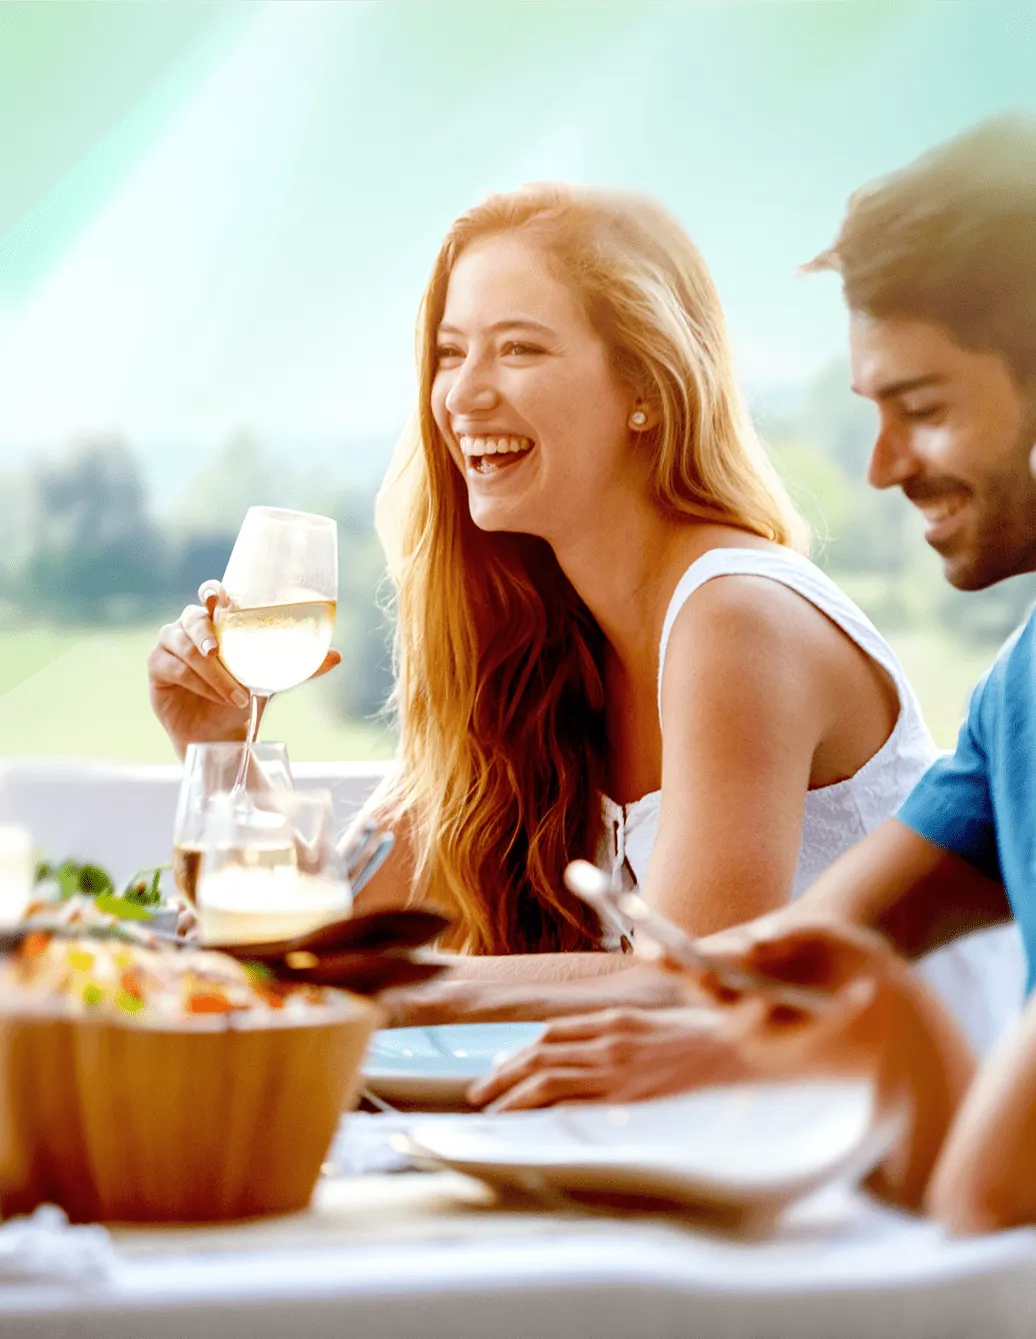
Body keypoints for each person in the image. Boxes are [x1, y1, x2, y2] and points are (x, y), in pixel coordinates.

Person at [148, 181, 991, 1033]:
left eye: (518, 349)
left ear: (646, 389)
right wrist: (221, 749)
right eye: (450, 352)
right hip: (726, 1140)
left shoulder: (735, 615)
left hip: (898, 1152)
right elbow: (332, 922)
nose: (464, 394)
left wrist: (374, 981)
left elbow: (691, 990)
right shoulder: (534, 636)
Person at [474, 115, 1036, 1233]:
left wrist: (860, 1028)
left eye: (921, 409)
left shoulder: (733, 611)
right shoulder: (1016, 686)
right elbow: (803, 949)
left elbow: (987, 1198)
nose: (881, 468)